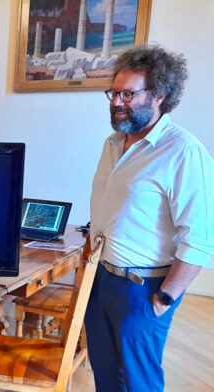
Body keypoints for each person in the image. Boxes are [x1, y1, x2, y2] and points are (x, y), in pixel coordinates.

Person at [87, 45, 214, 392]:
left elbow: (200, 239)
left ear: (159, 95)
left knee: (138, 383)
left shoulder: (183, 151)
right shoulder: (113, 144)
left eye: (128, 94)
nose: (116, 102)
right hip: (101, 281)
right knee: (106, 376)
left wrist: (164, 300)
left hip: (144, 290)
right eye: (113, 93)